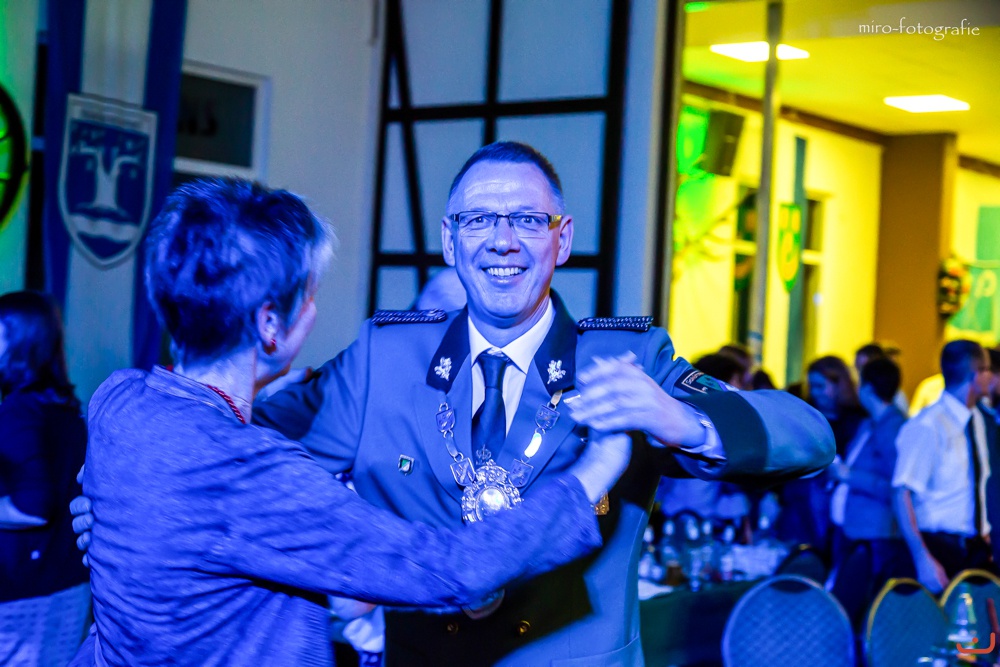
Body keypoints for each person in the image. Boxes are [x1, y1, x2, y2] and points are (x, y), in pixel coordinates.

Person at [75, 143, 834, 666]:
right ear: (448, 239)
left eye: (528, 219)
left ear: (562, 239)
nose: (502, 240)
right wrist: (122, 510)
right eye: (478, 219)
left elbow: (809, 434)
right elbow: (217, 450)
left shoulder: (624, 360)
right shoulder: (383, 357)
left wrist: (684, 422)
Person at [70, 178, 630, 667]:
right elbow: (453, 568)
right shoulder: (254, 471)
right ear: (270, 325)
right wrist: (596, 467)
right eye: (309, 295)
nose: (314, 310)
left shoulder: (118, 401)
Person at [0, 291, 90, 666]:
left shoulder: (18, 411)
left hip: (25, 595)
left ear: (19, 339)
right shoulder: (63, 409)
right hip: (68, 582)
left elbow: (33, 507)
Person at [893, 340, 993, 593]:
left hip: (974, 549)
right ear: (976, 375)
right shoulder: (928, 425)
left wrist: (984, 536)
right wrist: (922, 558)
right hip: (937, 547)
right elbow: (901, 493)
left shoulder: (977, 420)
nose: (991, 377)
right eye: (987, 370)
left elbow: (973, 488)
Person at [830, 357, 911, 591]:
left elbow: (897, 486)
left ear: (867, 388)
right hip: (852, 528)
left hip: (877, 533)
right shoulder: (869, 423)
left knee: (865, 599)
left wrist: (849, 476)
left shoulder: (894, 427)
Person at [779, 356, 865, 558]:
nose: (815, 392)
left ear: (838, 384)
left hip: (840, 498)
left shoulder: (856, 418)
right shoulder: (806, 414)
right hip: (804, 498)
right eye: (812, 386)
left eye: (820, 386)